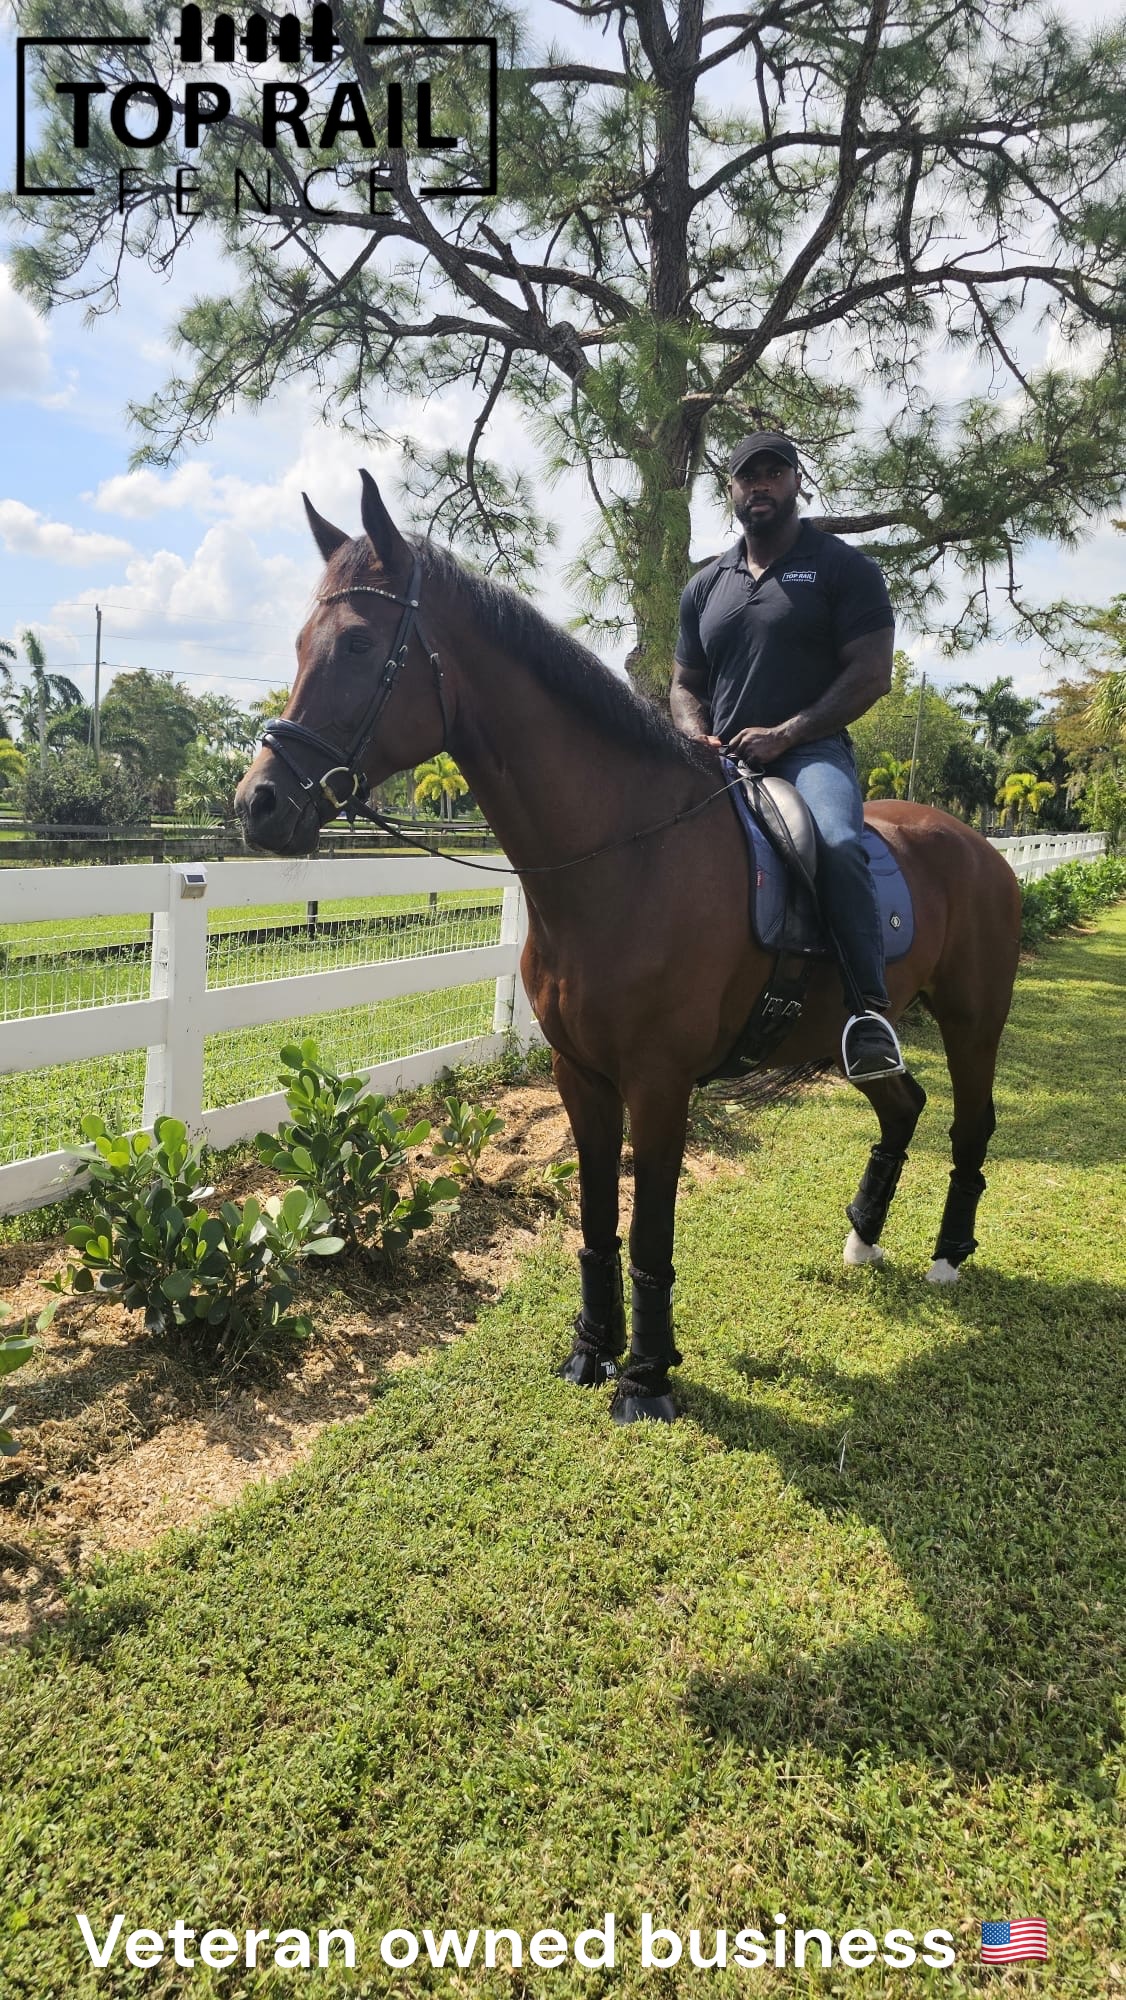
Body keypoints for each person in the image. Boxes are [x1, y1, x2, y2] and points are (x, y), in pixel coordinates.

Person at [670, 430, 905, 1082]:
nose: (761, 485)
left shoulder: (840, 568)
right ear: (732, 491)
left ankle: (866, 1014)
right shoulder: (706, 585)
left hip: (810, 754)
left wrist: (790, 731)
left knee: (833, 840)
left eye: (774, 473)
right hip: (721, 760)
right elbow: (685, 683)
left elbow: (871, 674)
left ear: (797, 481)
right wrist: (694, 733)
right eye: (748, 476)